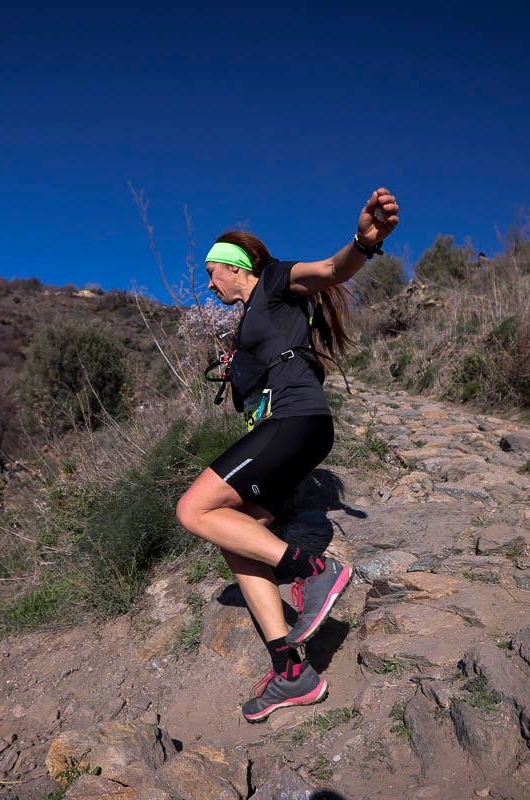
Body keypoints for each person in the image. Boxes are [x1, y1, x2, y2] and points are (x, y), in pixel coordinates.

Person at [176, 187, 399, 722]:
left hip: (296, 420)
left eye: (213, 272)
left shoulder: (275, 279)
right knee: (235, 538)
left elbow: (328, 270)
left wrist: (362, 245)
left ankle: (314, 570)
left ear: (239, 266)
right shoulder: (255, 313)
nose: (209, 283)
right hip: (290, 427)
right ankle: (291, 672)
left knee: (191, 510)